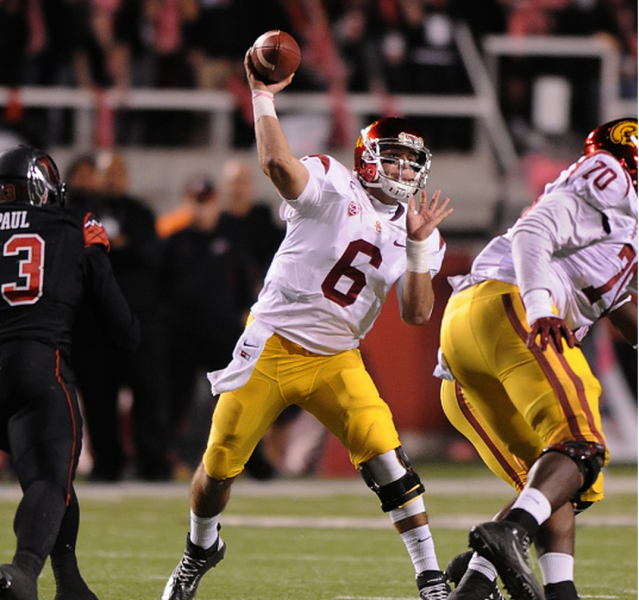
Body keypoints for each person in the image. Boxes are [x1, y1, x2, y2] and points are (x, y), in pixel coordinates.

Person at [160, 44, 454, 600]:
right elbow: (276, 165)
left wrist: (416, 250)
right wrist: (262, 98)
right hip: (271, 342)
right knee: (217, 468)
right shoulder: (331, 181)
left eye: (411, 163)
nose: (403, 171)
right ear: (368, 156)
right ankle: (201, 547)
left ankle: (430, 575)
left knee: (388, 460)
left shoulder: (421, 233)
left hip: (337, 358)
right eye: (392, 157)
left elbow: (417, 315)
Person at [436, 118, 638, 600]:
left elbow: (619, 307)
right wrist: (542, 308)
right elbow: (533, 231)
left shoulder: (619, 228)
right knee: (580, 447)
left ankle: (487, 581)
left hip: (478, 333)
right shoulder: (610, 176)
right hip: (509, 309)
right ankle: (508, 535)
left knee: (560, 479)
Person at [0, 145, 140, 600]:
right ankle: (22, 572)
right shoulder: (75, 224)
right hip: (37, 365)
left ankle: (70, 583)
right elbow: (121, 327)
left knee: (50, 472)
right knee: (49, 476)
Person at [71, 150, 172, 481]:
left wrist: (110, 250)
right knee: (99, 398)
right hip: (93, 325)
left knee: (148, 394)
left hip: (139, 321)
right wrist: (120, 248)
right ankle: (107, 464)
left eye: (118, 172)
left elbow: (150, 257)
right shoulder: (80, 213)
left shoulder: (140, 213)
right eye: (106, 172)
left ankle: (153, 463)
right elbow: (81, 258)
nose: (112, 178)